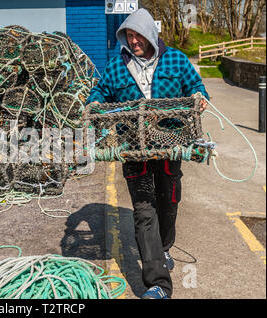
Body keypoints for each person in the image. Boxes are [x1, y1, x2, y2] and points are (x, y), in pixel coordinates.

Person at [86, 8, 209, 299]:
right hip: (133, 148)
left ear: (151, 34)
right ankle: (158, 284)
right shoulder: (117, 66)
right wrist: (93, 103)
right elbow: (101, 92)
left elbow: (195, 85)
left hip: (170, 142)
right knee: (144, 212)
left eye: (138, 35)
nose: (134, 40)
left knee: (169, 200)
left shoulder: (176, 59)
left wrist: (201, 95)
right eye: (129, 35)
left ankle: (165, 246)